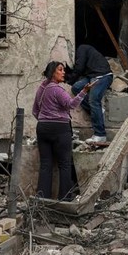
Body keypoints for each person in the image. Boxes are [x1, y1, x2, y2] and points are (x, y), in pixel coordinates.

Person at [32, 61, 94, 201]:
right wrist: (84, 91)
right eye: (60, 69)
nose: (63, 72)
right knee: (65, 165)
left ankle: (42, 201)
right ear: (53, 72)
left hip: (42, 128)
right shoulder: (57, 90)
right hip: (60, 129)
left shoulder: (42, 89)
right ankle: (65, 199)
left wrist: (45, 120)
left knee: (45, 165)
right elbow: (71, 104)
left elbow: (35, 111)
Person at [68, 44, 113, 143]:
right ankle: (98, 110)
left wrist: (69, 80)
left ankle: (100, 134)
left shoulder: (82, 48)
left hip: (103, 76)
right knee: (76, 88)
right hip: (91, 76)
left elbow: (79, 68)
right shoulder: (85, 51)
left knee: (94, 99)